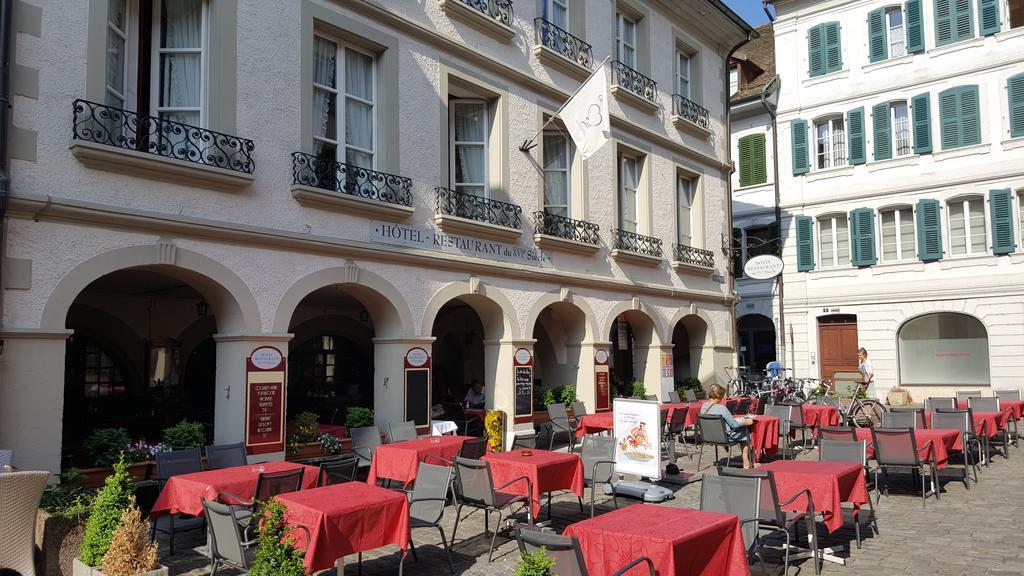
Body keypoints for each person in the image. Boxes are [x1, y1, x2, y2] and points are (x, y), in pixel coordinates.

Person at [699, 383, 756, 469]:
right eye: (722, 395)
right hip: (724, 437)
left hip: (709, 436)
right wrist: (746, 422)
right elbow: (734, 425)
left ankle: (726, 445)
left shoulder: (703, 406)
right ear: (719, 395)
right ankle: (746, 462)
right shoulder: (722, 408)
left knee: (727, 426)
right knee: (746, 432)